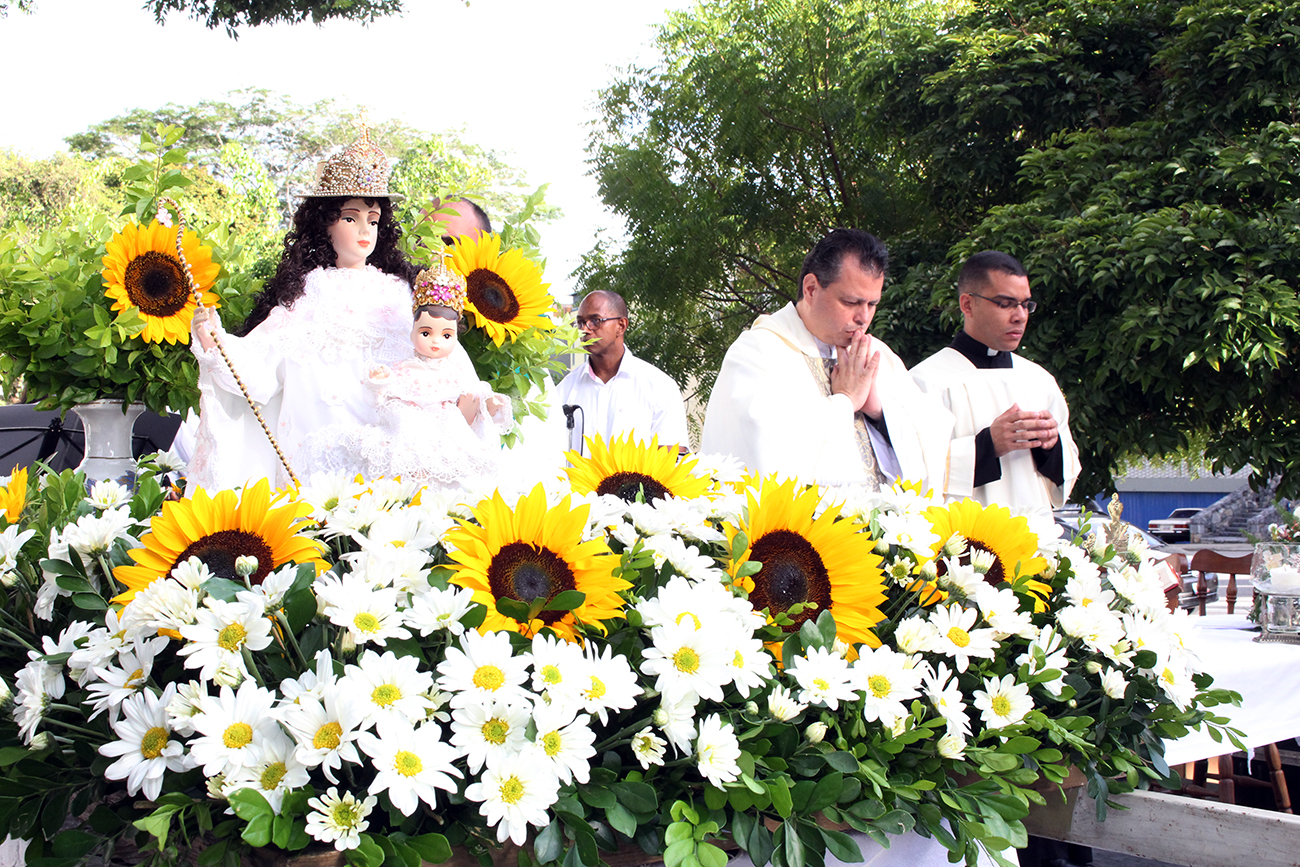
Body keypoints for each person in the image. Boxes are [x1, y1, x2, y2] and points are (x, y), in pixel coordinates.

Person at [186, 121, 422, 490]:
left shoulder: (398, 294)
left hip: (386, 444)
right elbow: (260, 365)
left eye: (372, 220)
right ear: (325, 226)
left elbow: (429, 358)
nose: (364, 231)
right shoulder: (310, 293)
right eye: (350, 218)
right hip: (317, 449)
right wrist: (214, 339)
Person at [700, 229, 951, 490]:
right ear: (811, 289)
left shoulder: (879, 355)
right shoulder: (759, 351)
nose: (863, 317)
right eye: (851, 302)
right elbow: (763, 448)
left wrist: (879, 412)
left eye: (872, 304)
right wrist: (845, 401)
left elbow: (935, 438)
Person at [301, 263, 512, 492]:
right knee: (404, 459)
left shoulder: (455, 371)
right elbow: (376, 401)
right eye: (425, 333)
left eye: (446, 335)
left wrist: (489, 402)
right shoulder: (403, 370)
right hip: (409, 429)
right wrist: (378, 382)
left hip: (447, 432)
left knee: (454, 472)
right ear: (412, 332)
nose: (435, 341)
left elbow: (472, 396)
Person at [910, 250, 1080, 509]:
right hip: (960, 539)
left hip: (1034, 538)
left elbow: (1065, 477)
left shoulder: (1039, 381)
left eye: (1026, 304)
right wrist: (989, 445)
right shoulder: (924, 382)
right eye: (1005, 303)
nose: (1020, 316)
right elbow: (912, 472)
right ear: (967, 304)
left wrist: (1050, 446)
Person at [557, 290, 690, 455]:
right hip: (574, 482)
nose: (585, 329)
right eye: (580, 322)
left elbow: (671, 463)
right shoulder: (564, 391)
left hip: (640, 481)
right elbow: (548, 458)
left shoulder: (660, 387)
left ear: (621, 325)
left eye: (595, 321)